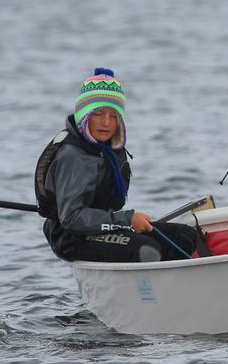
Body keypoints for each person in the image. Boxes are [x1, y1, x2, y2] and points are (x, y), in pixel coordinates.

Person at [35, 68, 199, 263]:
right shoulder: (73, 156)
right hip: (71, 236)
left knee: (185, 236)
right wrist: (127, 220)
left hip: (103, 226)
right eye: (98, 113)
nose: (106, 122)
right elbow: (71, 219)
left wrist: (123, 221)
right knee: (146, 250)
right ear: (84, 114)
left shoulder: (108, 149)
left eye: (114, 115)